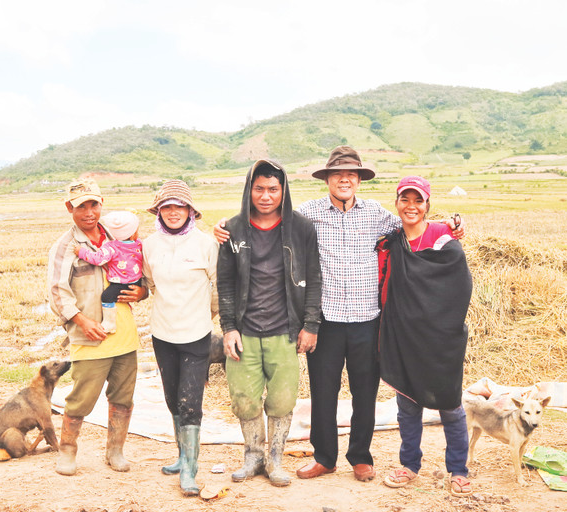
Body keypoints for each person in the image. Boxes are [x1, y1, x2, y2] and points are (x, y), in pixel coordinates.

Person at [214, 145, 463, 483]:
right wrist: (226, 228)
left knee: (364, 394)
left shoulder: (377, 214)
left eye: (351, 174)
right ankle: (325, 457)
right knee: (323, 392)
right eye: (337, 174)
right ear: (327, 179)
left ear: (359, 180)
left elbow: (411, 223)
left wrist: (447, 227)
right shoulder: (306, 214)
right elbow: (264, 217)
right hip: (324, 321)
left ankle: (360, 457)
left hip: (368, 319)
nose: (344, 179)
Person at [217, 159, 322, 487]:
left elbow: (315, 278)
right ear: (249, 191)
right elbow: (225, 283)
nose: (265, 196)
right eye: (259, 188)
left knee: (282, 398)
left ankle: (275, 457)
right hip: (245, 332)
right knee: (244, 397)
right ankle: (252, 455)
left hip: (285, 331)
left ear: (283, 190)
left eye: (272, 189)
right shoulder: (233, 229)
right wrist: (228, 327)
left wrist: (311, 324)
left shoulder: (301, 229)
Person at [376, 176, 473, 497]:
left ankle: (458, 470)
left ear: (427, 205)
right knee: (407, 404)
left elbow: (458, 284)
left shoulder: (443, 237)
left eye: (418, 201)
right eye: (405, 200)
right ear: (397, 204)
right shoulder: (391, 241)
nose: (411, 206)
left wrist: (443, 325)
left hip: (441, 339)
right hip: (405, 337)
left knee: (450, 405)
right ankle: (410, 465)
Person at [47, 178, 146, 476]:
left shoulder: (119, 235)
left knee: (123, 397)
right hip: (90, 336)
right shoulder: (66, 246)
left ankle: (115, 451)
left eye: (94, 204)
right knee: (81, 398)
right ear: (69, 208)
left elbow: (141, 275)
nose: (89, 212)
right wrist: (81, 320)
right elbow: (57, 291)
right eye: (81, 206)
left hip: (125, 334)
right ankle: (67, 451)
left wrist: (142, 292)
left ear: (101, 204)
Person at [142, 179, 218, 496]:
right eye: (167, 207)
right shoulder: (149, 245)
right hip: (162, 334)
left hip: (197, 335)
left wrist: (202, 315)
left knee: (190, 403)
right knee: (173, 399)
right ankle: (181, 455)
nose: (174, 212)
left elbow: (216, 290)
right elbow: (149, 283)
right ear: (159, 212)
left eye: (179, 206)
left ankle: (190, 469)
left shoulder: (206, 244)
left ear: (191, 211)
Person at [74, 210, 142, 334]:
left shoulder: (111, 247)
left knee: (106, 297)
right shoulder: (138, 244)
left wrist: (82, 252)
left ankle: (110, 323)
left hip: (121, 283)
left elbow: (98, 259)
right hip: (137, 281)